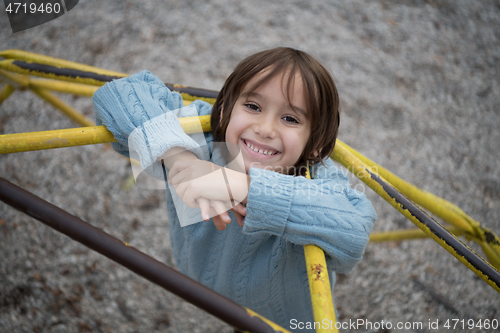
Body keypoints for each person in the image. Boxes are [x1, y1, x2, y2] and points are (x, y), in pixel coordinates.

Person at [93, 47, 377, 332]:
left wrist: (242, 186)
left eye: (290, 119)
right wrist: (180, 159)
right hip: (198, 280)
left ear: (315, 142)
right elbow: (119, 93)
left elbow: (354, 226)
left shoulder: (316, 179)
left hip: (284, 319)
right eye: (253, 107)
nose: (265, 128)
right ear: (227, 108)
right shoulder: (199, 138)